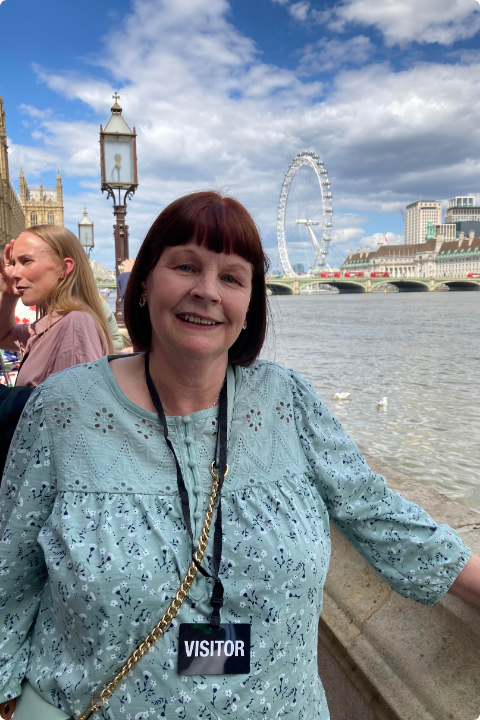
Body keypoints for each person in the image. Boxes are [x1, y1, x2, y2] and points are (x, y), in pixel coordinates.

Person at [0, 192, 479, 720]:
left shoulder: (287, 400)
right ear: (143, 286)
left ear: (250, 304)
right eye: (185, 266)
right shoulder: (62, 409)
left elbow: (374, 510)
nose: (206, 291)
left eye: (232, 277)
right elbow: (10, 571)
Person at [0, 225, 113, 386]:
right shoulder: (50, 324)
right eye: (13, 263)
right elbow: (3, 337)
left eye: (26, 261)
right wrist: (8, 296)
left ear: (64, 267)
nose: (14, 273)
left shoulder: (74, 325)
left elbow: (74, 407)